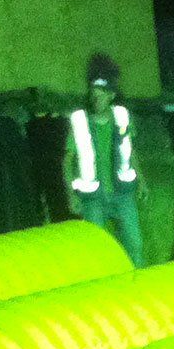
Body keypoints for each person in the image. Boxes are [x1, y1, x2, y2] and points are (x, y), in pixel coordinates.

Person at [63, 54, 146, 266]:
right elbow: (67, 160)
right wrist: (71, 195)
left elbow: (130, 150)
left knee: (134, 245)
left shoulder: (122, 117)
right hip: (93, 199)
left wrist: (142, 181)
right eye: (93, 95)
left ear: (111, 96)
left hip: (122, 194)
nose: (96, 99)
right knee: (96, 251)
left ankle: (135, 281)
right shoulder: (80, 121)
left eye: (100, 95)